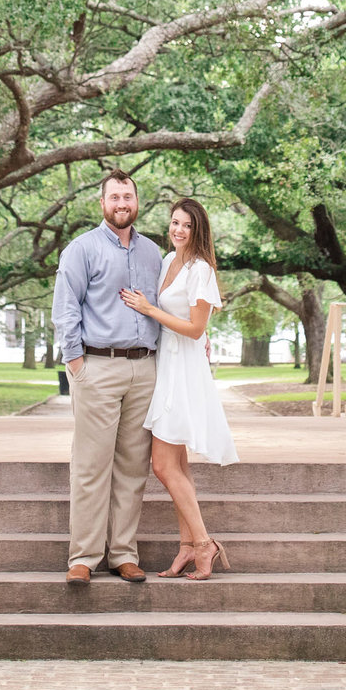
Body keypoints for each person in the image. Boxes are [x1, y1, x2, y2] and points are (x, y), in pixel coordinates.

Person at [51, 169, 162, 586]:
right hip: (97, 367)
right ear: (102, 203)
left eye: (127, 197)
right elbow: (65, 309)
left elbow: (163, 307)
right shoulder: (81, 249)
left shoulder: (153, 252)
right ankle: (83, 557)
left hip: (144, 370)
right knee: (91, 466)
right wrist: (76, 363)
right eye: (114, 197)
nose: (121, 204)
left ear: (136, 202)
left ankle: (123, 554)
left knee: (133, 468)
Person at [120, 196, 237, 579]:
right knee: (179, 466)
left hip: (182, 369)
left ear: (197, 229)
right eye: (174, 223)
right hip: (164, 362)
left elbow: (197, 328)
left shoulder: (201, 269)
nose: (178, 230)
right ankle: (187, 546)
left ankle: (205, 544)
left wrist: (148, 309)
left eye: (186, 225)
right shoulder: (170, 261)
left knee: (163, 465)